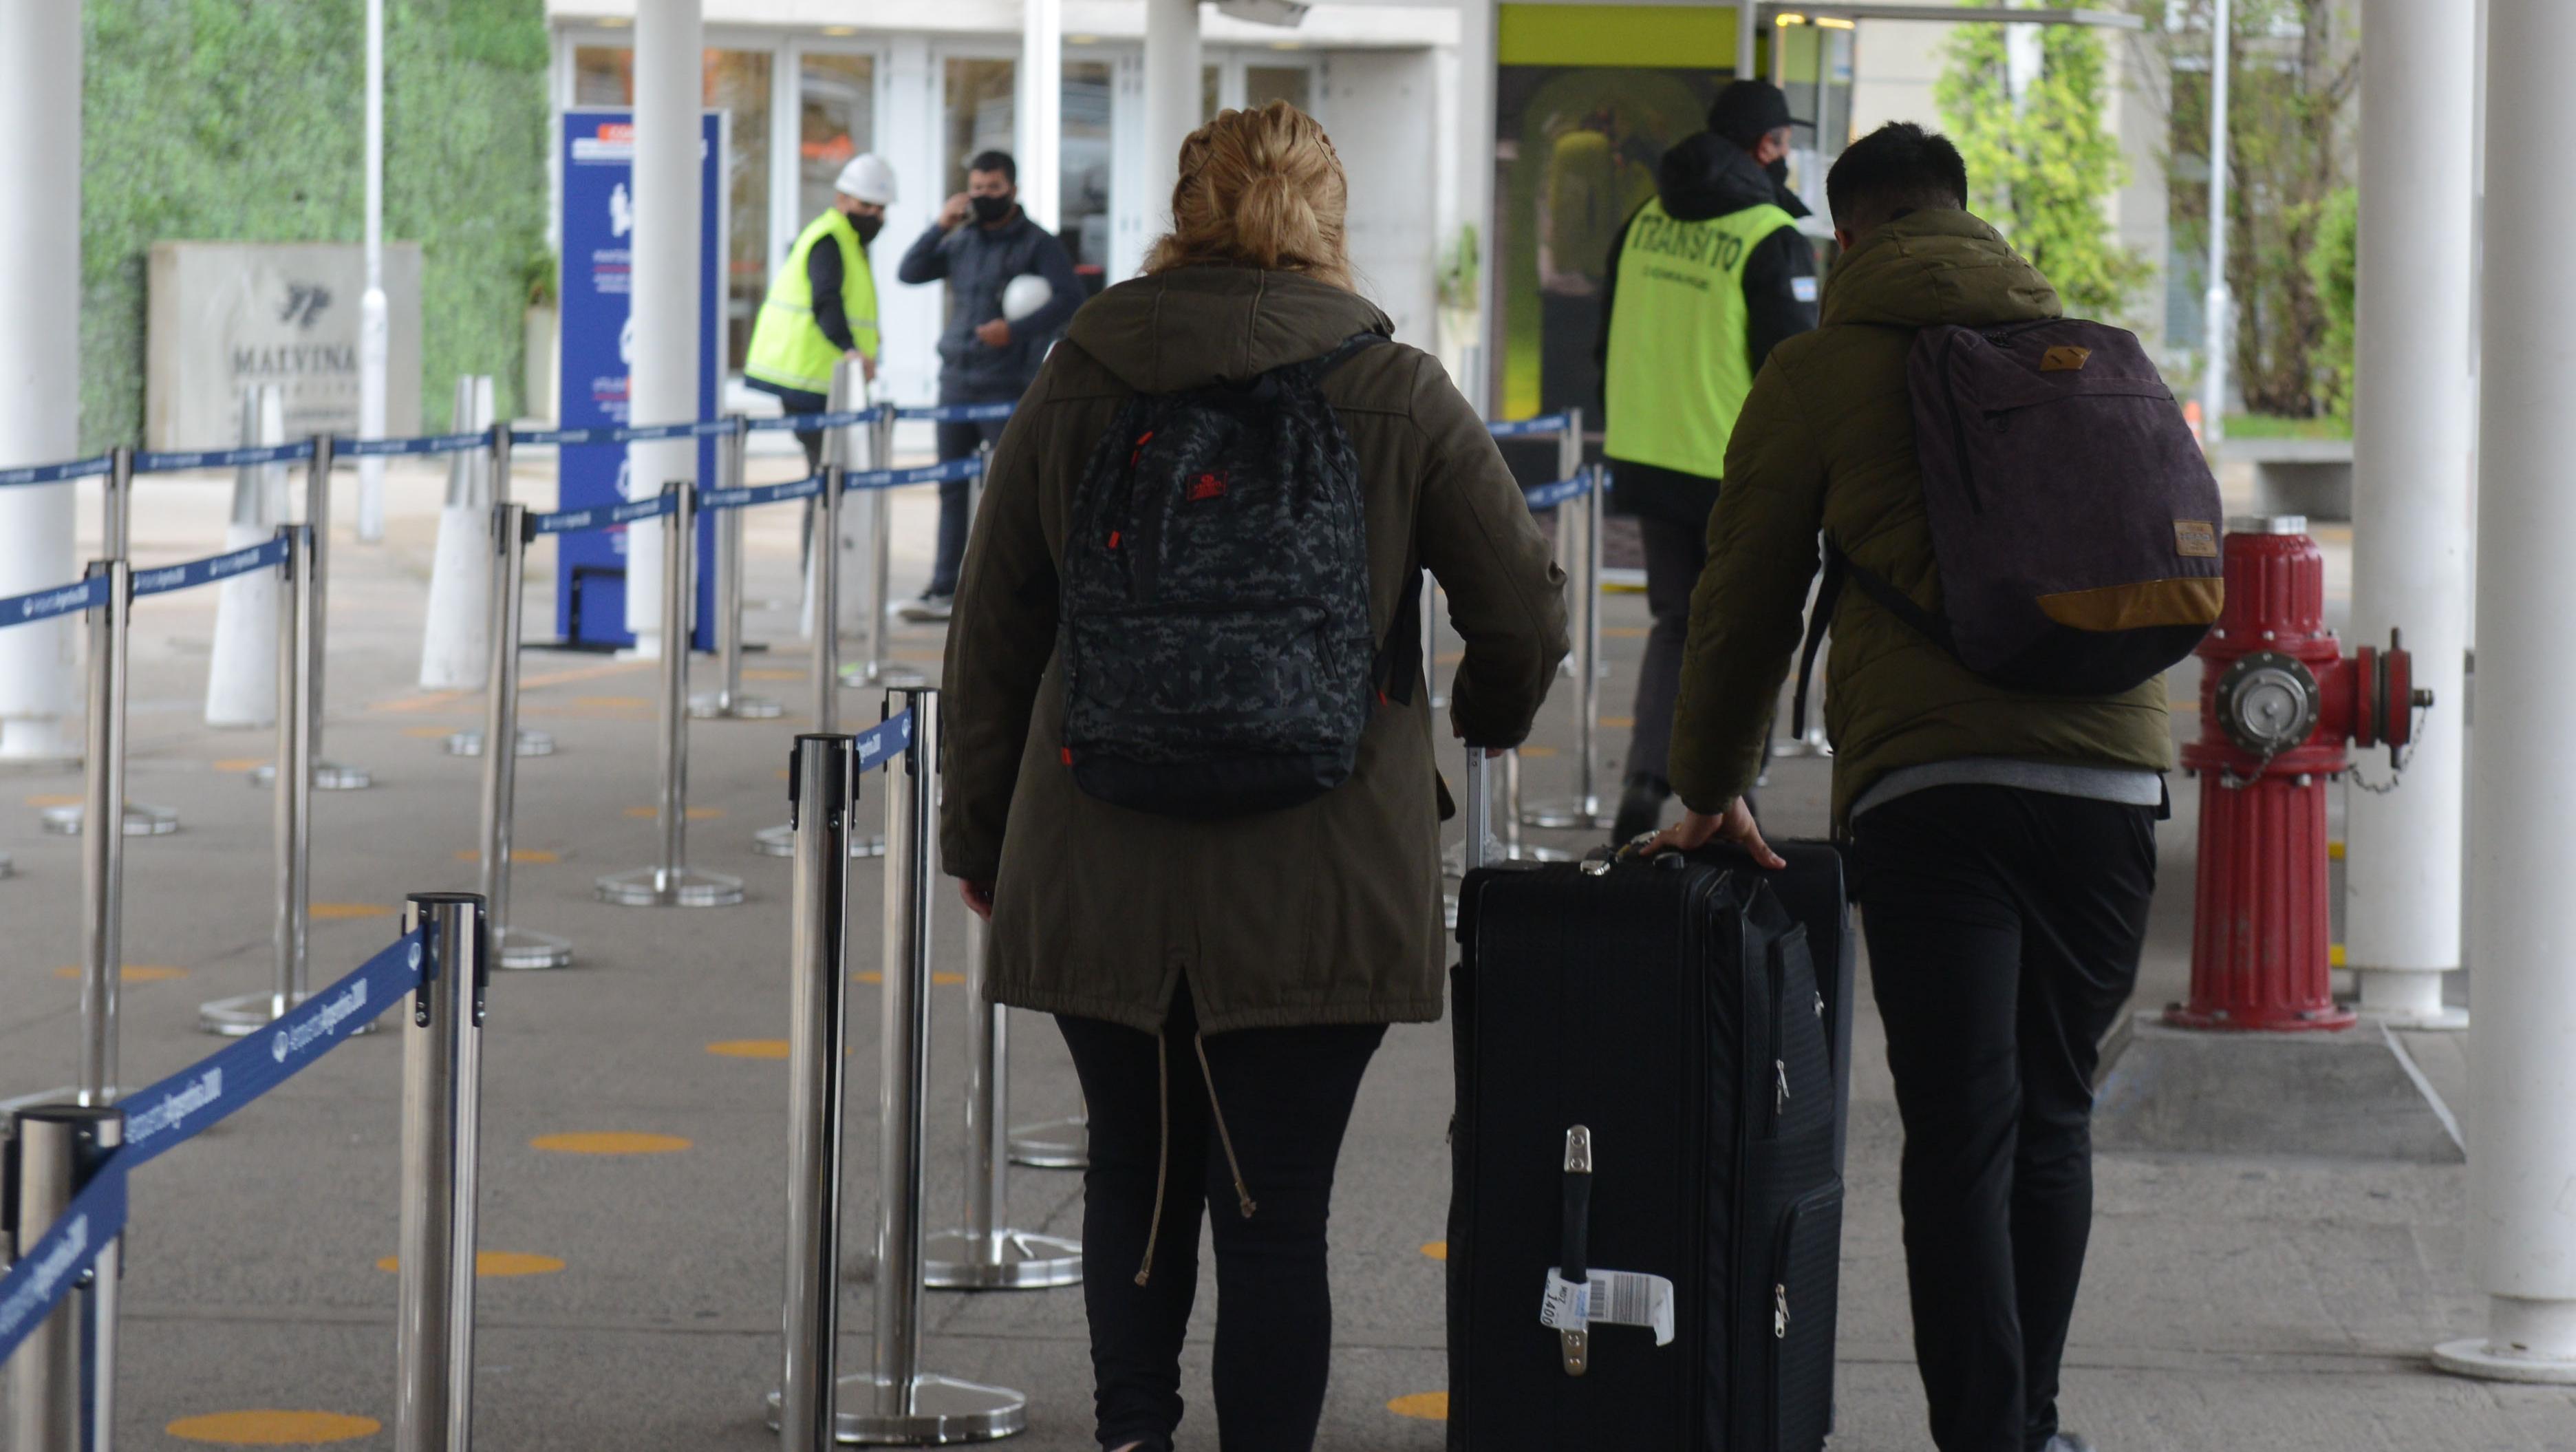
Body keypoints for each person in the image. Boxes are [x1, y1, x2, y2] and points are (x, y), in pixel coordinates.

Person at [938, 103, 1568, 1452]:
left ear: (1188, 207)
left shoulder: (1081, 369)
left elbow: (993, 627)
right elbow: (1523, 603)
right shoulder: (1395, 386)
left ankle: (1133, 1431)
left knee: (1136, 1177)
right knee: (1276, 1211)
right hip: (1323, 862)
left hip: (1096, 845)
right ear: (1325, 215)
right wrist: (1485, 717)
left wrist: (980, 835)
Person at [1652, 122, 2169, 1452]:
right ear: (1967, 220)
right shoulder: (2085, 351)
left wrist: (1706, 780)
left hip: (1930, 794)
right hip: (2109, 781)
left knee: (1958, 1135)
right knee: (2052, 1117)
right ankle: (2035, 1427)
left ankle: (1983, 1437)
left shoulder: (1817, 371)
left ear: (1848, 237)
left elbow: (1741, 603)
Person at [1598, 78, 1818, 844]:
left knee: (1673, 625)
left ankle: (1643, 783)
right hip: (1733, 468)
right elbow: (1796, 369)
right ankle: (1731, 792)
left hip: (1650, 454)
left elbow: (1606, 340)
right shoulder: (1769, 234)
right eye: (1785, 143)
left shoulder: (1644, 220)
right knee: (1745, 632)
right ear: (1766, 148)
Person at [896, 148, 1083, 621]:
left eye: (993, 189)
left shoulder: (1038, 243)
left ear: (1013, 191)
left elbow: (1070, 299)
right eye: (977, 188)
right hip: (956, 381)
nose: (984, 197)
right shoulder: (962, 239)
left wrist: (1015, 331)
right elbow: (910, 272)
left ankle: (1012, 587)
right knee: (950, 488)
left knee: (1010, 491)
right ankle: (944, 586)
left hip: (1005, 383)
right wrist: (941, 224)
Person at [745, 153, 897, 474]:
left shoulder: (847, 240)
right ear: (841, 198)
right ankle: (820, 528)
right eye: (867, 205)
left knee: (831, 474)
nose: (875, 215)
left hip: (825, 379)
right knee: (830, 475)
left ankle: (825, 526)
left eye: (881, 209)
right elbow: (826, 300)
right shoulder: (829, 239)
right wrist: (851, 349)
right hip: (809, 379)